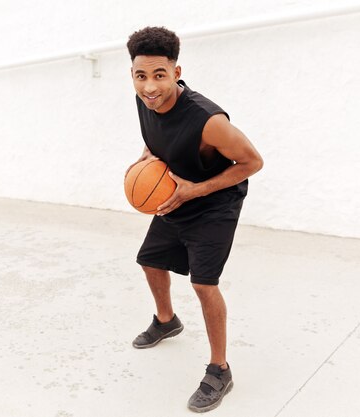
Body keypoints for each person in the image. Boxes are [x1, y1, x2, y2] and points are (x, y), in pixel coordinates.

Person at [125, 26, 263, 413]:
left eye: (159, 76)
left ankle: (220, 369)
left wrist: (196, 190)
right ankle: (167, 321)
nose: (150, 86)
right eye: (140, 76)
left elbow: (253, 162)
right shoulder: (145, 100)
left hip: (215, 204)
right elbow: (158, 134)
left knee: (204, 285)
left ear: (176, 71)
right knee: (149, 260)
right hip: (176, 195)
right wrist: (149, 157)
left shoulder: (208, 119)